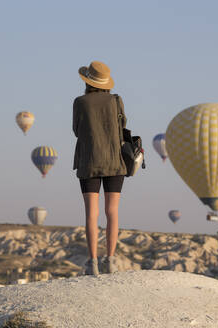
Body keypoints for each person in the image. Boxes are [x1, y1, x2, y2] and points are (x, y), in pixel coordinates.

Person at [73, 61, 127, 275]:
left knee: (91, 213)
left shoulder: (80, 102)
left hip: (89, 161)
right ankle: (111, 260)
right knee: (112, 211)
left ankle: (93, 262)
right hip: (115, 160)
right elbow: (122, 127)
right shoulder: (116, 100)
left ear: (88, 81)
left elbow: (76, 130)